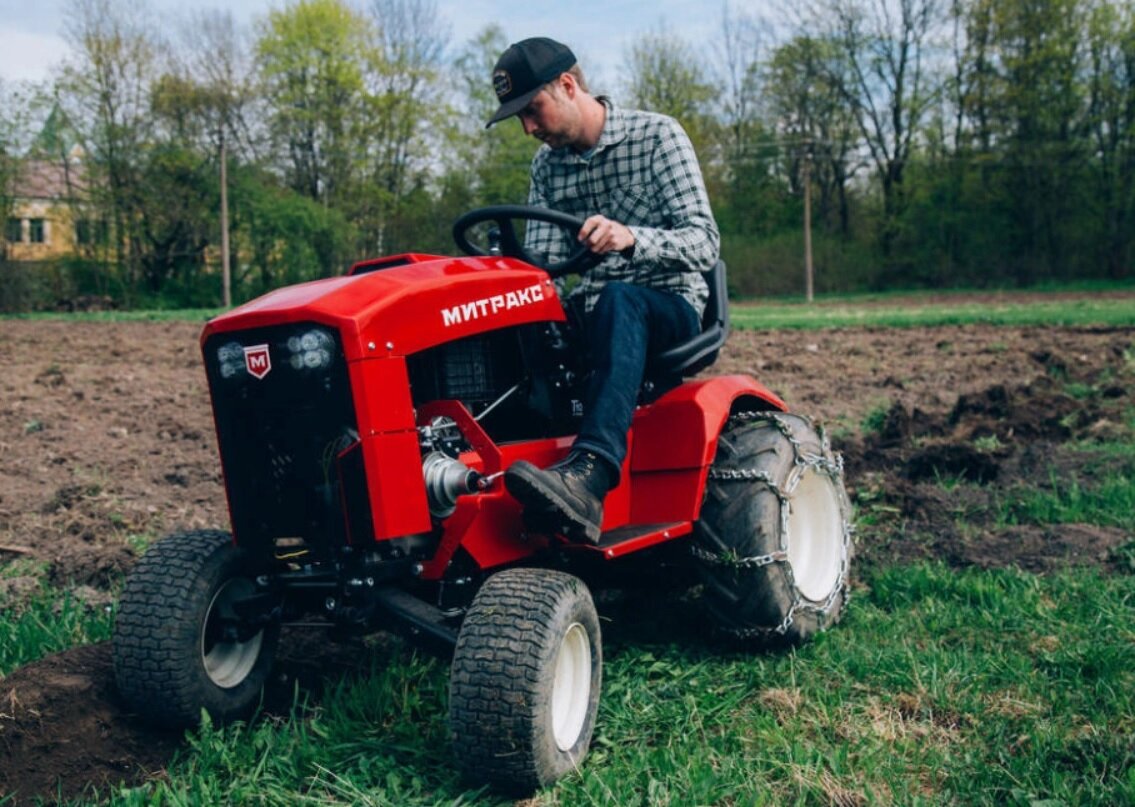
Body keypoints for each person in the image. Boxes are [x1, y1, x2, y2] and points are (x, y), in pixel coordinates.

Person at [487, 37, 720, 545]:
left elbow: (704, 242)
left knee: (620, 298)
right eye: (519, 117)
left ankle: (591, 471)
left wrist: (631, 238)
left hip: (667, 303)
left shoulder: (658, 136)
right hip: (592, 311)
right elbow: (542, 268)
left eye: (532, 110)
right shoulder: (547, 167)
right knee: (506, 325)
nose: (528, 128)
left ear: (568, 86)